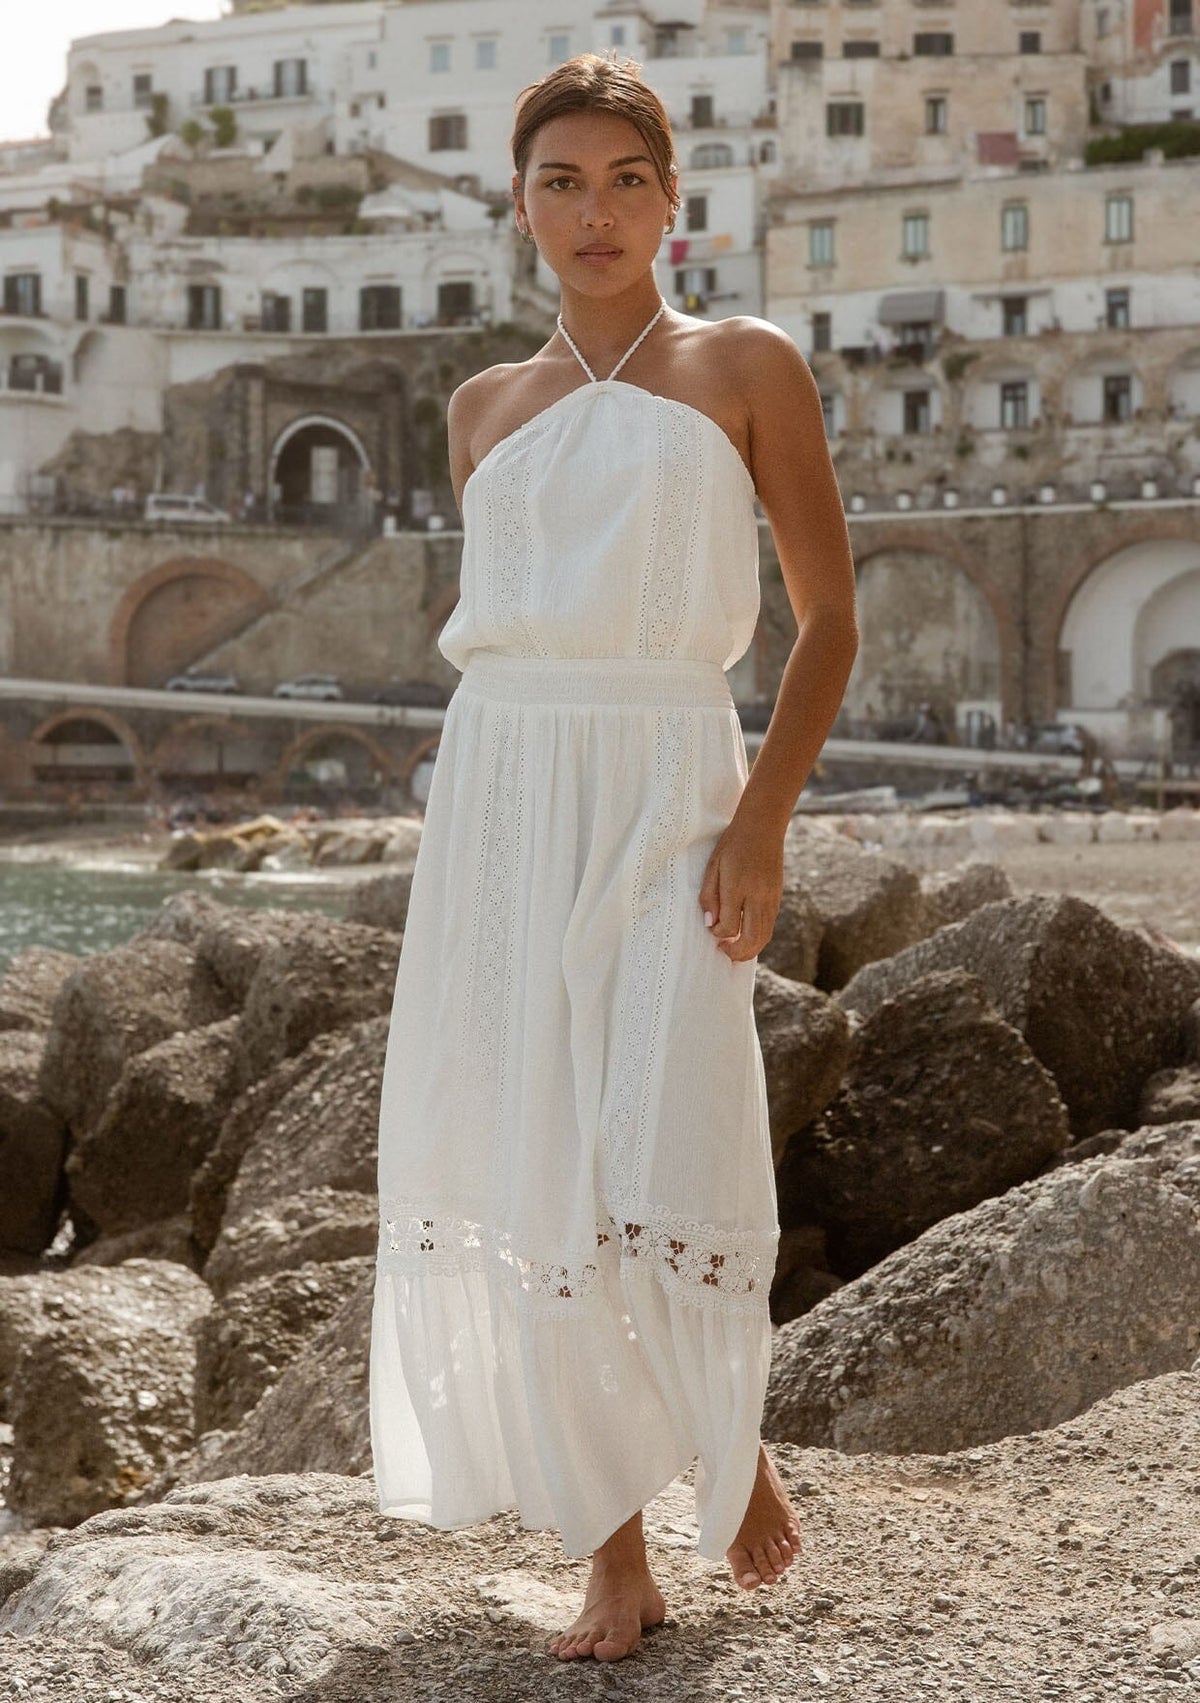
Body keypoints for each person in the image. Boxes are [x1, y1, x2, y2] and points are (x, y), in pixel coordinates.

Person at [368, 51, 860, 1665]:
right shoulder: (481, 409)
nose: (596, 212)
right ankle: (616, 1556)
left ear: (672, 201)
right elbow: (511, 625)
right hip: (506, 789)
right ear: (519, 205)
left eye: (626, 181)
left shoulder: (747, 365)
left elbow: (829, 620)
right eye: (562, 183)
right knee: (536, 1152)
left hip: (670, 782)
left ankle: (725, 1430)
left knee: (667, 1122)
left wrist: (761, 819)